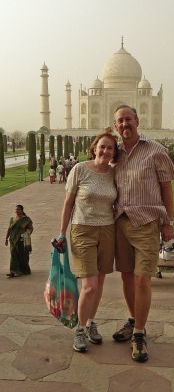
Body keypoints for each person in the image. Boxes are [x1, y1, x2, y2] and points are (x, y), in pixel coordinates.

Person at [113, 105, 174, 362]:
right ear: (116, 125)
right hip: (120, 222)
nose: (125, 124)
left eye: (128, 119)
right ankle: (133, 319)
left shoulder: (156, 151)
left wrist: (168, 222)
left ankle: (139, 333)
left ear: (137, 121)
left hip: (147, 223)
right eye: (120, 121)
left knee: (141, 280)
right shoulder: (114, 153)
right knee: (127, 278)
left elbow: (167, 189)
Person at [57, 129, 118, 353]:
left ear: (114, 152)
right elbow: (68, 203)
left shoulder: (113, 172)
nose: (105, 150)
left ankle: (91, 323)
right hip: (82, 230)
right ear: (94, 148)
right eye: (102, 146)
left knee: (99, 283)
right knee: (89, 286)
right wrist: (62, 232)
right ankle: (80, 329)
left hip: (107, 230)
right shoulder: (80, 169)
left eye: (110, 147)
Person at [5, 205, 33, 277]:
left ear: (22, 210)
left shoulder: (26, 219)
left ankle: (24, 270)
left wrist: (26, 234)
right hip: (13, 240)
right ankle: (13, 271)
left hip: (21, 240)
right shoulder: (12, 219)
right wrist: (6, 239)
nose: (16, 211)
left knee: (22, 255)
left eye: (18, 210)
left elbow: (31, 228)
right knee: (13, 255)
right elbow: (9, 229)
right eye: (16, 210)